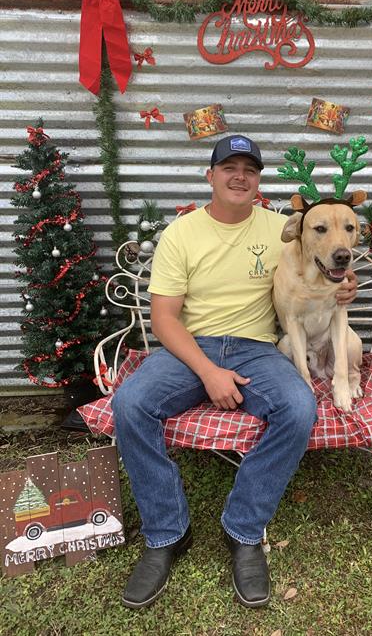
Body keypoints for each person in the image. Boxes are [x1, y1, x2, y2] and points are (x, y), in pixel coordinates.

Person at [112, 134, 357, 609]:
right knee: (130, 403)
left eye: (249, 169)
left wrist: (342, 287)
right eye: (229, 167)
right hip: (191, 346)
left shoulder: (283, 228)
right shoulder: (182, 233)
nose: (239, 176)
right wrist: (207, 372)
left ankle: (243, 529)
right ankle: (166, 533)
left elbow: (326, 262)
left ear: (259, 181)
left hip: (257, 347)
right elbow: (164, 319)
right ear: (211, 176)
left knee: (299, 406)